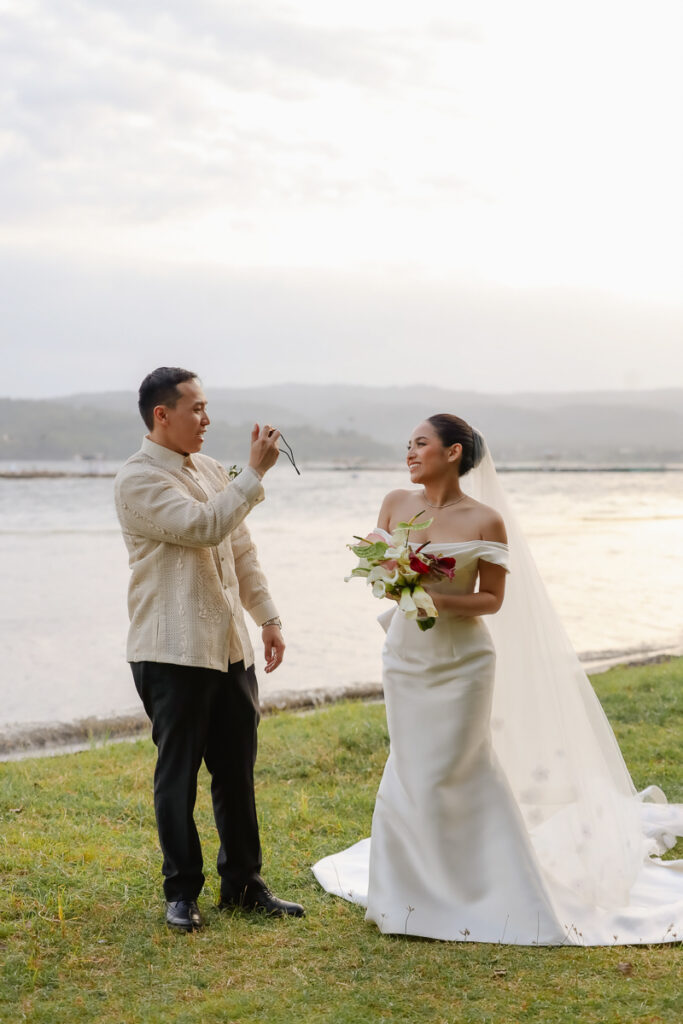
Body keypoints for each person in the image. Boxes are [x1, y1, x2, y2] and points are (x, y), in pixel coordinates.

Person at [313, 414, 683, 945]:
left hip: (463, 662)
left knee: (458, 765)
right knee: (411, 765)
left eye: (420, 443)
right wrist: (394, 582)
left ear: (453, 452)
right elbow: (382, 577)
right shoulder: (395, 502)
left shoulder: (486, 520)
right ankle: (408, 890)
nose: (409, 453)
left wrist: (436, 598)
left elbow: (492, 599)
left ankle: (486, 885)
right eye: (408, 445)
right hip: (405, 655)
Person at [115, 366, 304, 931]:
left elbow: (239, 547)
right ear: (161, 415)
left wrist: (267, 617)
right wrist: (254, 473)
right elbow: (203, 527)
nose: (207, 419)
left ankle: (244, 885)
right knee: (178, 776)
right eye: (196, 408)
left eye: (206, 407)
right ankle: (181, 893)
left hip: (229, 647)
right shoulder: (137, 480)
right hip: (171, 652)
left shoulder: (211, 468)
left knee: (236, 769)